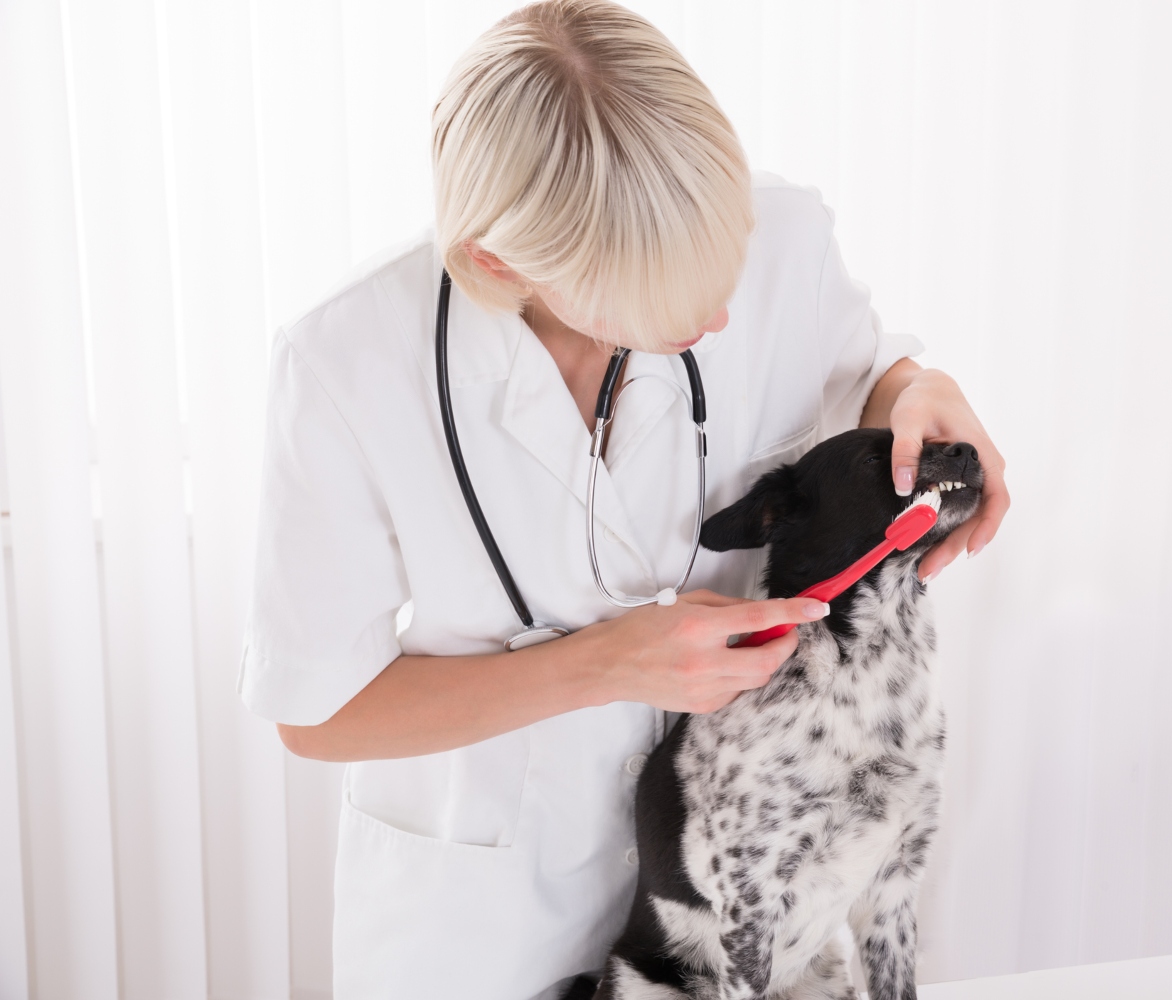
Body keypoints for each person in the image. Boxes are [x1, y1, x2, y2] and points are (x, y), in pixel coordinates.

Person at [239, 2, 1007, 997]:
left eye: (726, 253)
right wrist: (605, 664)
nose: (722, 313)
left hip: (739, 913)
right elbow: (317, 714)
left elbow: (870, 380)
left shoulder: (784, 236)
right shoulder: (342, 366)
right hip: (481, 928)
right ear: (500, 264)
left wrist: (919, 395)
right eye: (670, 310)